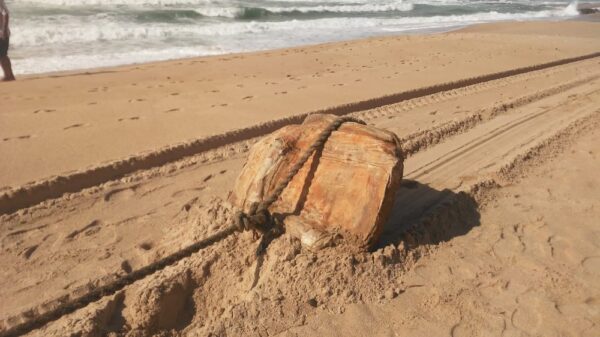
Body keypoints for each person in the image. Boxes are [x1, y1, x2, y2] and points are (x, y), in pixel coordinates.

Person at [0, 0, 15, 81]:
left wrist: (4, 29)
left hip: (1, 32)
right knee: (2, 55)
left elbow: (5, 13)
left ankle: (9, 75)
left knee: (2, 55)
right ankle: (9, 75)